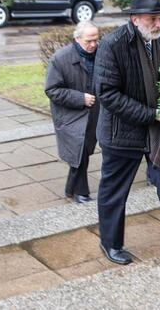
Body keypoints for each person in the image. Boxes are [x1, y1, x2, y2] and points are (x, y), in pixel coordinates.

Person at [95, 0, 160, 264]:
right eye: (153, 19)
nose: (158, 24)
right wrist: (152, 115)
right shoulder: (112, 44)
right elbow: (107, 94)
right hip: (121, 133)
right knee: (114, 191)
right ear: (135, 19)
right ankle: (110, 243)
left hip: (155, 133)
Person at [45, 21, 101, 203]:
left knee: (82, 152)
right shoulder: (60, 59)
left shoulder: (101, 54)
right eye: (88, 41)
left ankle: (70, 189)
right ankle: (81, 193)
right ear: (77, 39)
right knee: (80, 151)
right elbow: (52, 90)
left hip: (93, 114)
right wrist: (80, 98)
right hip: (69, 116)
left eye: (96, 40)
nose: (93, 44)